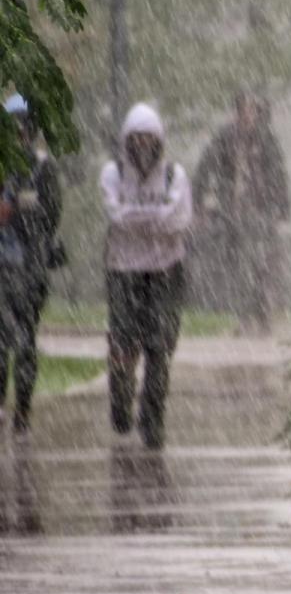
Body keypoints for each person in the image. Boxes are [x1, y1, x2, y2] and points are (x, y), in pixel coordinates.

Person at [101, 103, 193, 450]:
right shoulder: (113, 174)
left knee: (159, 348)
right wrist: (153, 219)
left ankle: (153, 419)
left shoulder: (174, 176)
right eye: (135, 139)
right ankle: (121, 399)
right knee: (124, 344)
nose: (142, 147)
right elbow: (116, 215)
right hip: (123, 270)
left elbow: (178, 220)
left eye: (148, 140)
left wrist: (137, 218)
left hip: (165, 271)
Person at [193, 91, 290, 335]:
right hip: (233, 212)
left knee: (261, 265)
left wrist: (281, 209)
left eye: (253, 110)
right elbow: (206, 166)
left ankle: (263, 316)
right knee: (238, 265)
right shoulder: (225, 137)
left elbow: (279, 174)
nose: (249, 115)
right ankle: (246, 318)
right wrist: (199, 202)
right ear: (237, 111)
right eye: (245, 109)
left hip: (261, 211)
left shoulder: (267, 139)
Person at [0, 94, 63, 436]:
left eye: (23, 127)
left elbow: (51, 215)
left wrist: (22, 212)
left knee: (24, 340)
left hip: (29, 268)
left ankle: (22, 408)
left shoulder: (42, 168)